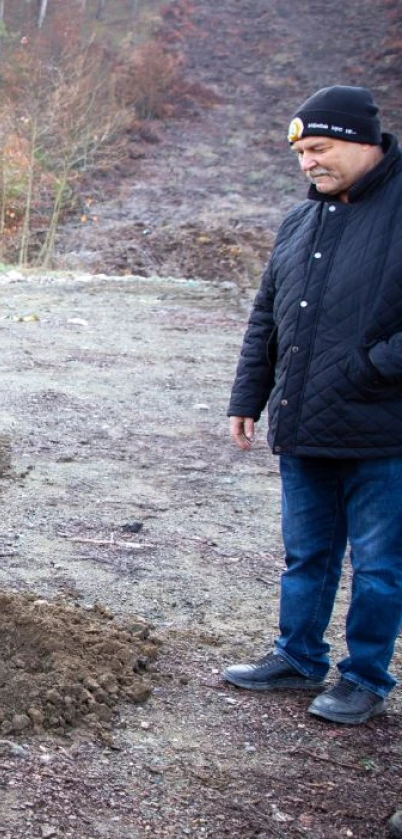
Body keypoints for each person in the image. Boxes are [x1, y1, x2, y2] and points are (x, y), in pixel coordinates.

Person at [224, 85, 402, 726]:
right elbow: (267, 314)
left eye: (320, 149)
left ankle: (365, 678)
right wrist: (250, 393)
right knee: (307, 555)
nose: (308, 164)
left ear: (363, 141)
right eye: (301, 153)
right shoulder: (301, 220)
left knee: (380, 567)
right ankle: (297, 657)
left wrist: (370, 368)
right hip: (305, 424)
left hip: (385, 432)